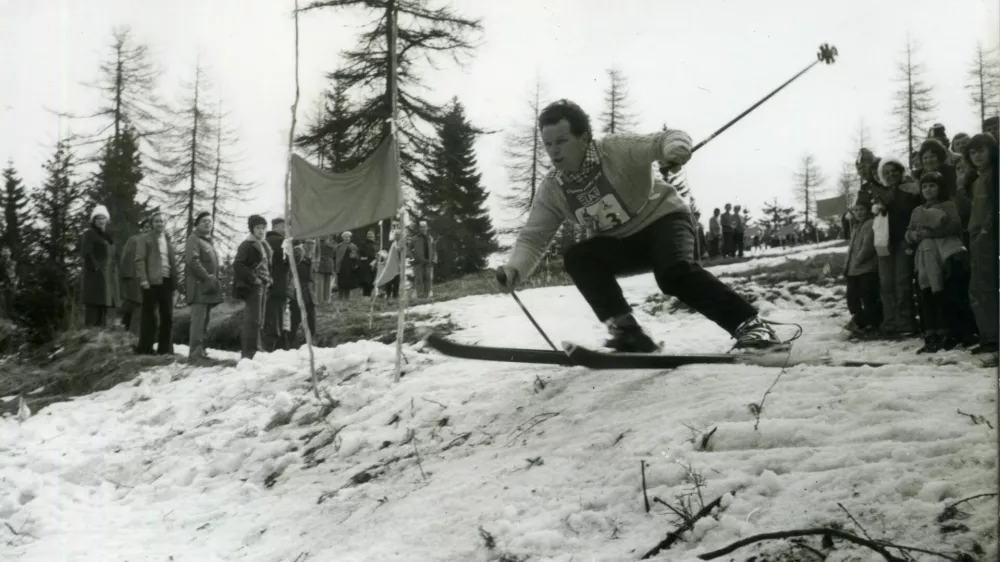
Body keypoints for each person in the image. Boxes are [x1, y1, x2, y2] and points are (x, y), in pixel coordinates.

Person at [495, 99, 785, 352]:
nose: (554, 152)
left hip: (665, 221)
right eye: (548, 144)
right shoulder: (553, 189)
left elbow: (666, 139)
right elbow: (534, 237)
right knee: (578, 257)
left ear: (583, 138)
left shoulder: (616, 150)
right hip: (622, 244)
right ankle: (627, 333)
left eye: (562, 141)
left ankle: (751, 326)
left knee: (672, 274)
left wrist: (676, 149)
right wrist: (515, 270)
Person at [905, 172, 977, 353]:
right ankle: (932, 334)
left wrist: (933, 233)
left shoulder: (949, 205)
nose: (928, 190)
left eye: (933, 186)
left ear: (940, 188)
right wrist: (913, 236)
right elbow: (909, 231)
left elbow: (955, 226)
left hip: (948, 253)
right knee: (928, 294)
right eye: (925, 186)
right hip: (927, 257)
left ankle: (956, 333)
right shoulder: (917, 211)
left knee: (950, 293)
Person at [871, 157, 921, 339]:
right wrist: (878, 208)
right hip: (884, 242)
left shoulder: (910, 190)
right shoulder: (882, 194)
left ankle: (906, 322)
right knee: (886, 283)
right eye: (886, 172)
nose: (891, 175)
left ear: (901, 172)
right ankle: (890, 321)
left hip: (903, 240)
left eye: (894, 171)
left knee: (902, 281)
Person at [962, 133, 998, 354]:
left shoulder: (995, 175)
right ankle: (988, 335)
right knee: (977, 288)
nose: (977, 156)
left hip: (990, 237)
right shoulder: (976, 180)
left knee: (987, 287)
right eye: (972, 152)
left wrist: (987, 229)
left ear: (992, 150)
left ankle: (994, 337)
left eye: (981, 150)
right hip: (975, 237)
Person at [135, 211, 177, 355]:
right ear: (152, 224)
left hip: (166, 281)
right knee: (149, 317)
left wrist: (175, 284)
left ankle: (164, 350)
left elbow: (172, 263)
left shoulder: (168, 241)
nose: (159, 223)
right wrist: (144, 279)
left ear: (165, 224)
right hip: (151, 282)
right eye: (156, 221)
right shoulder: (145, 239)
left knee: (167, 316)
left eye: (162, 221)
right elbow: (139, 260)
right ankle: (145, 348)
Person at [185, 211, 223, 359]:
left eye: (210, 221)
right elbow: (193, 261)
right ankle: (195, 353)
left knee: (205, 320)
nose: (208, 223)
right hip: (198, 286)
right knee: (198, 320)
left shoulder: (208, 241)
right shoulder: (193, 239)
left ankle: (201, 350)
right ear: (197, 224)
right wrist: (206, 277)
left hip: (207, 287)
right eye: (204, 221)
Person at [233, 215, 272, 360]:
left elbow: (266, 265)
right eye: (258, 228)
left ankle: (256, 349)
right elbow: (238, 264)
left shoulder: (264, 244)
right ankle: (248, 352)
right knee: (252, 320)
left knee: (259, 319)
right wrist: (253, 278)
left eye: (263, 228)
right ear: (252, 229)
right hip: (252, 287)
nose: (261, 231)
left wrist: (269, 277)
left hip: (263, 284)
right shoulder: (247, 244)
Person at [843, 196, 881, 338]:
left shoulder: (870, 223)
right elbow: (851, 248)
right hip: (853, 270)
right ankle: (859, 320)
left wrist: (858, 260)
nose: (859, 212)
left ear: (868, 210)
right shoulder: (856, 226)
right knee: (852, 297)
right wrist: (847, 265)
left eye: (862, 209)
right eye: (856, 210)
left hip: (866, 268)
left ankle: (872, 323)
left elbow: (868, 246)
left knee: (868, 295)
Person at [80, 205, 118, 328]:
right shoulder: (89, 233)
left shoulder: (106, 236)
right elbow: (87, 252)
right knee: (93, 313)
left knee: (103, 314)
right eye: (98, 218)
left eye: (103, 218)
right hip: (94, 279)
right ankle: (90, 342)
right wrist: (96, 268)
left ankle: (99, 341)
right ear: (93, 220)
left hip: (106, 280)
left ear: (107, 220)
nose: (101, 221)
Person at [263, 218, 290, 351]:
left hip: (268, 286)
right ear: (276, 227)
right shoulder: (280, 243)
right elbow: (288, 264)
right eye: (284, 227)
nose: (286, 230)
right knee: (276, 319)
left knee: (271, 318)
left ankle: (271, 347)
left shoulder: (265, 242)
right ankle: (272, 349)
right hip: (278, 286)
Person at [119, 219, 149, 335]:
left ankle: (131, 334)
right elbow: (125, 257)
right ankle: (131, 335)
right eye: (146, 227)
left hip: (146, 280)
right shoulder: (134, 240)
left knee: (139, 308)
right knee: (136, 306)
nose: (148, 230)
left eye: (150, 228)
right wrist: (127, 276)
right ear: (141, 228)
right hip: (134, 279)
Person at [289, 240, 317, 345]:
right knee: (294, 321)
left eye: (313, 244)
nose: (311, 246)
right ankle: (288, 347)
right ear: (303, 243)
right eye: (308, 243)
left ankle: (311, 345)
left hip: (309, 294)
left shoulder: (310, 257)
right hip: (297, 293)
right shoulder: (297, 253)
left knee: (312, 321)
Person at [411, 220, 437, 298]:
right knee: (418, 278)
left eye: (424, 227)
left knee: (428, 277)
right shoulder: (415, 238)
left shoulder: (430, 238)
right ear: (419, 228)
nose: (423, 229)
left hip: (428, 261)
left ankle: (429, 292)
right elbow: (409, 248)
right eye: (421, 227)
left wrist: (434, 259)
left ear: (427, 227)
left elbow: (434, 249)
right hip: (419, 261)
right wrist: (412, 257)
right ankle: (417, 293)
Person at [375, 229, 402, 300]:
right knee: (389, 279)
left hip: (398, 265)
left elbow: (402, 253)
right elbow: (388, 254)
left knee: (396, 281)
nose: (397, 236)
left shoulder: (402, 243)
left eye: (399, 234)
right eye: (396, 234)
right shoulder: (392, 243)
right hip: (390, 265)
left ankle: (395, 296)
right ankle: (388, 294)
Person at [335, 231, 359, 300]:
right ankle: (340, 297)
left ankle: (347, 297)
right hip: (341, 266)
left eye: (347, 237)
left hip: (350, 267)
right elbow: (336, 256)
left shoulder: (353, 246)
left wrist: (355, 257)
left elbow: (357, 257)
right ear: (343, 238)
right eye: (345, 237)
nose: (346, 238)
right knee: (341, 283)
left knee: (348, 283)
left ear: (350, 238)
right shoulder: (339, 246)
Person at [356, 229, 378, 297]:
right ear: (366, 235)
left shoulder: (376, 243)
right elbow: (360, 253)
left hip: (375, 264)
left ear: (374, 235)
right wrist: (362, 258)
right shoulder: (363, 243)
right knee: (366, 281)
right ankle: (366, 296)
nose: (370, 235)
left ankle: (371, 296)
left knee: (373, 281)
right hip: (366, 264)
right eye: (369, 234)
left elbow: (378, 252)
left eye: (371, 234)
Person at [317, 236, 336, 304]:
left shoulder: (331, 243)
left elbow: (334, 249)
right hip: (322, 263)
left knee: (326, 282)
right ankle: (321, 299)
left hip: (327, 263)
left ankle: (325, 299)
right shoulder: (318, 243)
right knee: (321, 282)